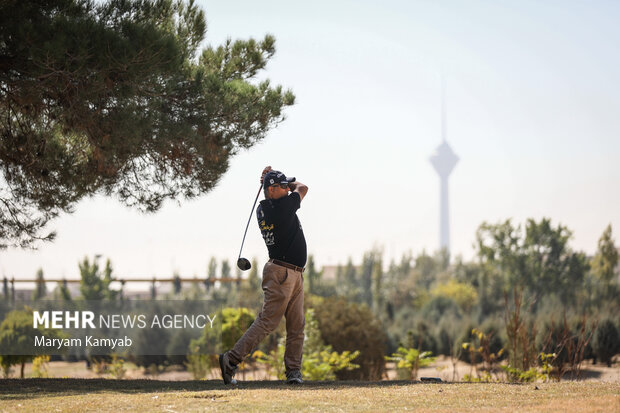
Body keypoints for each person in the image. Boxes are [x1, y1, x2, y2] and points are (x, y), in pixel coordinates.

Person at [219, 166, 308, 385]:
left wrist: (269, 181)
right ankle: (230, 360)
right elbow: (303, 187)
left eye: (287, 186)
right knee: (267, 322)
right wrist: (276, 183)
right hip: (282, 273)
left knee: (297, 326)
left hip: (293, 273)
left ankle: (294, 372)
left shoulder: (267, 206)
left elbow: (278, 190)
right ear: (273, 190)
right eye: (283, 186)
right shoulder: (282, 206)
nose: (288, 189)